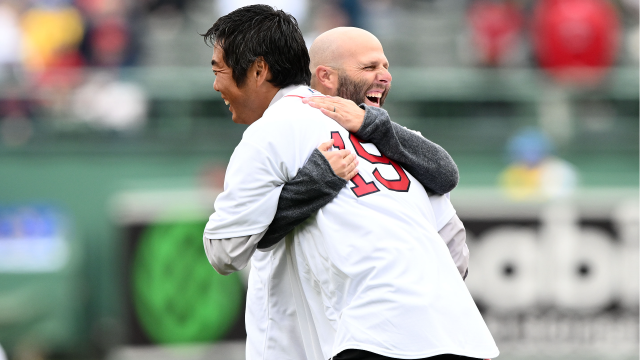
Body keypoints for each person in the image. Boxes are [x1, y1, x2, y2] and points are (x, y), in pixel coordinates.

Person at [202, 5, 498, 360]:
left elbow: (224, 250)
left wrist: (301, 194)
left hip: (372, 335)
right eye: (370, 67)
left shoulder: (274, 129)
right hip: (460, 335)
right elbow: (454, 248)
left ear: (259, 69)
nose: (216, 83)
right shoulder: (394, 141)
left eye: (219, 69)